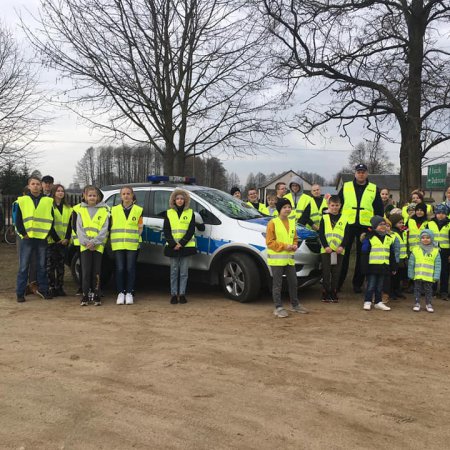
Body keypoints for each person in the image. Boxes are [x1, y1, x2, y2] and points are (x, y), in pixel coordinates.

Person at [338, 163, 384, 292]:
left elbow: (379, 209)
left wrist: (378, 225)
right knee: (343, 254)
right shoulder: (346, 186)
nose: (361, 174)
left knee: (362, 255)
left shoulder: (373, 188)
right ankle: (339, 282)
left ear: (367, 173)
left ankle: (357, 284)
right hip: (348, 225)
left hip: (365, 226)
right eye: (359, 172)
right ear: (355, 173)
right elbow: (338, 203)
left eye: (363, 172)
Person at [15, 176, 56, 302]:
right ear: (29, 186)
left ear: (41, 186)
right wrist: (23, 233)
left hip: (41, 238)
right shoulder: (22, 201)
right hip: (27, 238)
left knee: (42, 266)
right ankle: (20, 293)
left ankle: (43, 290)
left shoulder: (48, 201)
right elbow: (18, 219)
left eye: (38, 184)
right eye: (33, 184)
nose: (36, 186)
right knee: (23, 267)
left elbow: (51, 219)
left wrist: (47, 233)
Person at [266, 198, 308, 317]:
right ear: (280, 209)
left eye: (289, 207)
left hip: (289, 259)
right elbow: (269, 242)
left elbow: (294, 238)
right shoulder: (273, 223)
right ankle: (278, 307)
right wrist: (285, 246)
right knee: (277, 284)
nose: (287, 209)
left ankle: (295, 305)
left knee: (293, 282)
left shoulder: (292, 222)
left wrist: (295, 245)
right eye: (285, 207)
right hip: (277, 259)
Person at [77, 185, 110, 306]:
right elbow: (79, 229)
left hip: (98, 246)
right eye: (89, 195)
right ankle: (85, 295)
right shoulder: (81, 210)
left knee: (96, 271)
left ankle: (96, 295)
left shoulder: (104, 210)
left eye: (94, 196)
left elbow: (104, 229)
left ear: (98, 197)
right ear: (85, 196)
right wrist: (86, 242)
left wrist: (95, 242)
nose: (92, 197)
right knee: (85, 271)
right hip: (85, 246)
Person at [110, 186, 143, 305]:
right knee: (120, 269)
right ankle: (120, 293)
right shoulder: (113, 210)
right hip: (118, 244)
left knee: (130, 269)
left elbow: (140, 228)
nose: (126, 196)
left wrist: (134, 238)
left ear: (132, 195)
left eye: (128, 193)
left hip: (132, 244)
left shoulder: (138, 210)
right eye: (123, 194)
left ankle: (129, 293)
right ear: (120, 196)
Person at [163, 189, 197, 304]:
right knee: (174, 272)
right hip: (173, 247)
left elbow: (191, 230)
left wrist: (181, 243)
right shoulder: (169, 213)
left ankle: (182, 294)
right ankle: (173, 294)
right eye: (177, 198)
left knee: (183, 272)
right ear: (174, 200)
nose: (180, 200)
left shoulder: (190, 212)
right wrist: (174, 244)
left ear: (185, 200)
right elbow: (166, 230)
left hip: (186, 246)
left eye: (182, 198)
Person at [361, 216, 397, 311]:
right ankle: (367, 301)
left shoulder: (388, 238)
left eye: (384, 224)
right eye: (380, 224)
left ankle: (378, 302)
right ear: (374, 226)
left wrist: (393, 267)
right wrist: (364, 267)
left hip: (384, 266)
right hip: (372, 267)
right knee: (371, 285)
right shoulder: (369, 238)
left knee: (380, 286)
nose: (383, 226)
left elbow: (392, 254)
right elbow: (364, 253)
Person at [318, 195, 348, 302]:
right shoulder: (324, 218)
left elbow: (347, 235)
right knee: (326, 272)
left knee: (336, 272)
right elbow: (321, 233)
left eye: (337, 205)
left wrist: (342, 246)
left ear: (340, 205)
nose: (334, 207)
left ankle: (334, 291)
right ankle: (326, 292)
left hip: (339, 251)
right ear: (328, 205)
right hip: (326, 250)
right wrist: (326, 246)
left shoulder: (344, 219)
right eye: (332, 205)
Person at [47, 184, 72, 297]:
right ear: (54, 193)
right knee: (51, 266)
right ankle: (51, 287)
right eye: (58, 191)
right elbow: (49, 225)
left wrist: (66, 238)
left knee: (61, 266)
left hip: (64, 241)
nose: (60, 193)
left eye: (62, 191)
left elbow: (70, 225)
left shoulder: (68, 208)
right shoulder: (49, 207)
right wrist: (58, 239)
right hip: (52, 241)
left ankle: (60, 287)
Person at [408, 229, 441, 313]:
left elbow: (438, 265)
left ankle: (428, 304)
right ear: (420, 239)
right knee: (417, 289)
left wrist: (436, 276)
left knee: (429, 290)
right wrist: (411, 273)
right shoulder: (415, 249)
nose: (425, 239)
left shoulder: (435, 251)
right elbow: (411, 263)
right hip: (418, 275)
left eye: (428, 238)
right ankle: (417, 303)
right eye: (423, 238)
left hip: (429, 276)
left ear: (432, 238)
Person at [426, 204, 450, 299]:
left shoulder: (449, 224)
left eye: (443, 213)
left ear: (446, 214)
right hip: (433, 250)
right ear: (435, 214)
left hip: (445, 251)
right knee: (433, 270)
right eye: (439, 213)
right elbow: (426, 237)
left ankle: (444, 291)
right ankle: (432, 290)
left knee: (444, 271)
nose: (441, 215)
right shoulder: (430, 223)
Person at [390, 214, 408, 299]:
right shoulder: (392, 233)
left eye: (402, 222)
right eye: (399, 223)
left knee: (399, 276)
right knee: (393, 276)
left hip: (402, 258)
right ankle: (391, 292)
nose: (401, 224)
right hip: (395, 258)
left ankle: (397, 290)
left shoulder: (402, 232)